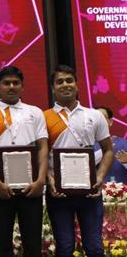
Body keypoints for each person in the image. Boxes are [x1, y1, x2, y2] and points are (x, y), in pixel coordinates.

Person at [44, 65, 113, 257]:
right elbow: (40, 156)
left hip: (90, 191)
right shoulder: (43, 117)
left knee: (94, 247)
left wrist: (99, 177)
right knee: (65, 248)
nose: (65, 85)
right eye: (60, 81)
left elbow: (108, 150)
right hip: (58, 194)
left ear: (77, 84)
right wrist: (50, 180)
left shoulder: (94, 115)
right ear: (52, 88)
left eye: (69, 80)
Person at [0, 66, 48, 256]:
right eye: (6, 83)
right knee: (2, 244)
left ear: (22, 87)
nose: (11, 87)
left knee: (33, 243)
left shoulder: (35, 112)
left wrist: (40, 180)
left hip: (31, 186)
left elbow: (43, 147)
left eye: (16, 83)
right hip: (1, 187)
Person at [93, 106, 127, 182]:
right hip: (95, 191)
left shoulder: (124, 144)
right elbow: (82, 167)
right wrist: (106, 151)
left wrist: (126, 162)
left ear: (110, 122)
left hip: (121, 192)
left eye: (102, 118)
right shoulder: (85, 145)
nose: (98, 121)